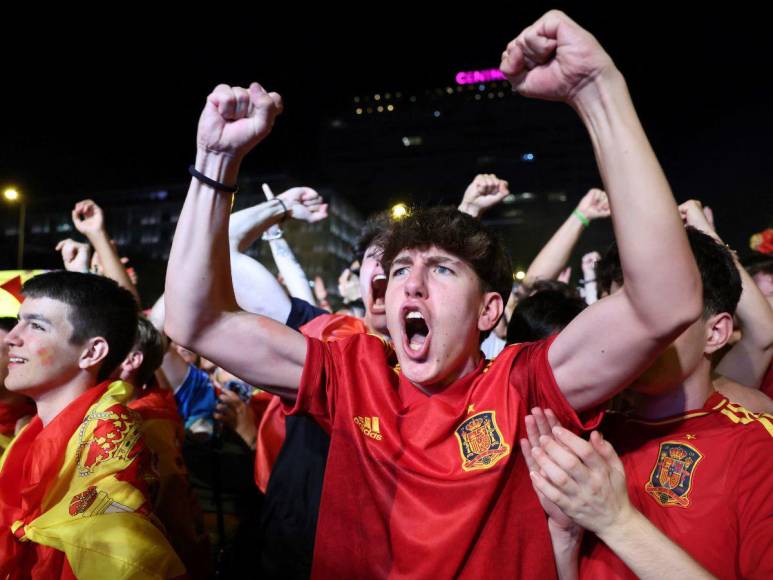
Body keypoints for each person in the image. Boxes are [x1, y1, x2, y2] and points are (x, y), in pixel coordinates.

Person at [165, 10, 703, 577]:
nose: (411, 284)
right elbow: (196, 322)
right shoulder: (350, 374)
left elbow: (664, 302)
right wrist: (215, 161)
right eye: (400, 272)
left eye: (442, 271)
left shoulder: (524, 387)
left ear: (490, 310)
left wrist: (599, 92)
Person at [526, 226, 773, 579]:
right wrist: (566, 538)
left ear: (715, 333)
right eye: (623, 315)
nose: (636, 335)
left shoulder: (755, 446)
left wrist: (617, 522)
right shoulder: (585, 435)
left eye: (656, 314)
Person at [0, 271, 183, 578]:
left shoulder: (110, 442)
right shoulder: (35, 432)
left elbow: (126, 555)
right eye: (18, 321)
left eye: (36, 325)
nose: (12, 338)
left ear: (93, 352)